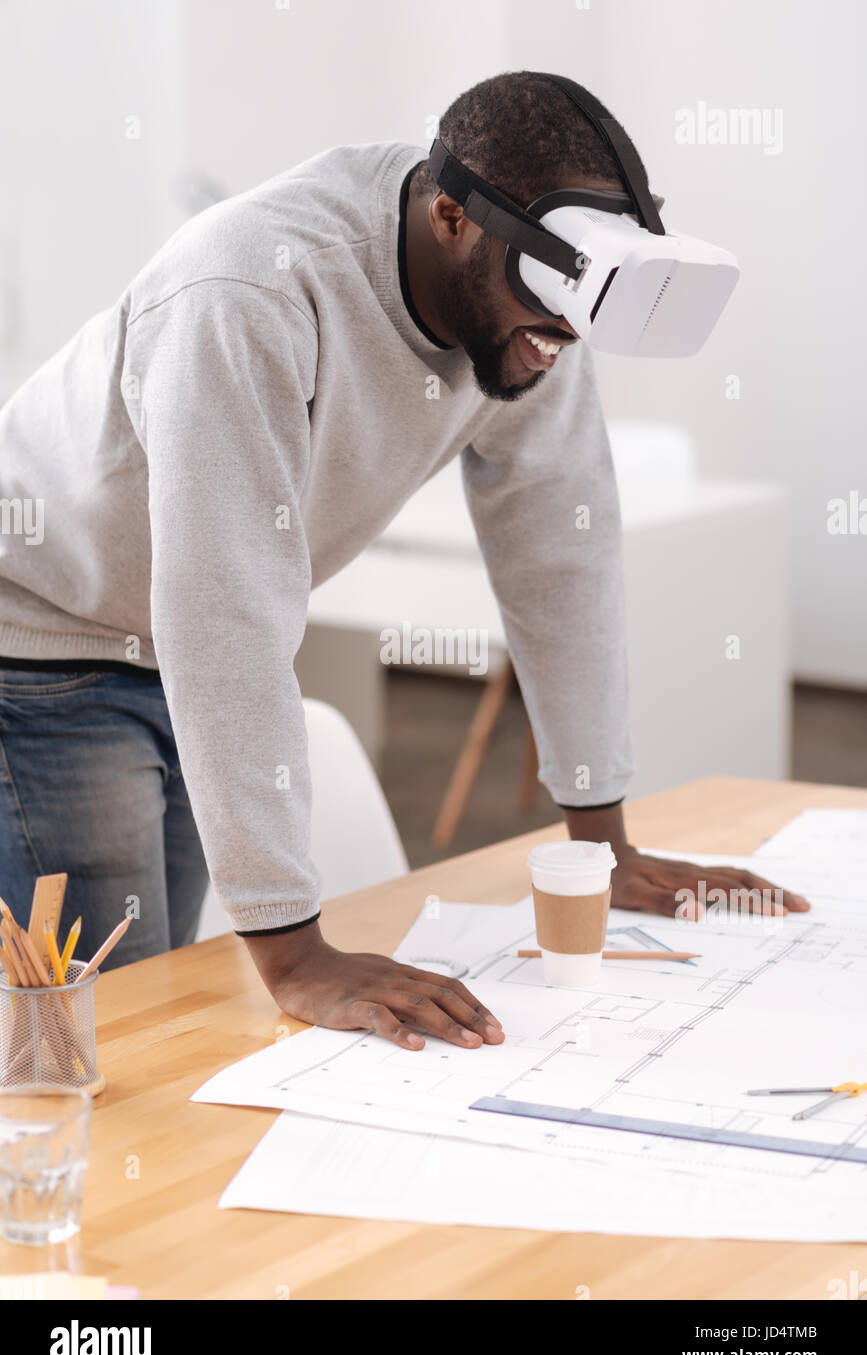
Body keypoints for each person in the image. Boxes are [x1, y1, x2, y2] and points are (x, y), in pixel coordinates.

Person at [0, 71, 808, 1051]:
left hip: (166, 644)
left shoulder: (536, 306)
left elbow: (560, 557)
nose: (557, 344)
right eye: (545, 314)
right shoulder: (251, 289)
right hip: (43, 637)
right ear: (451, 220)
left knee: (151, 994)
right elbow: (228, 612)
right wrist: (297, 955)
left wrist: (604, 848)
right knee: (95, 1035)